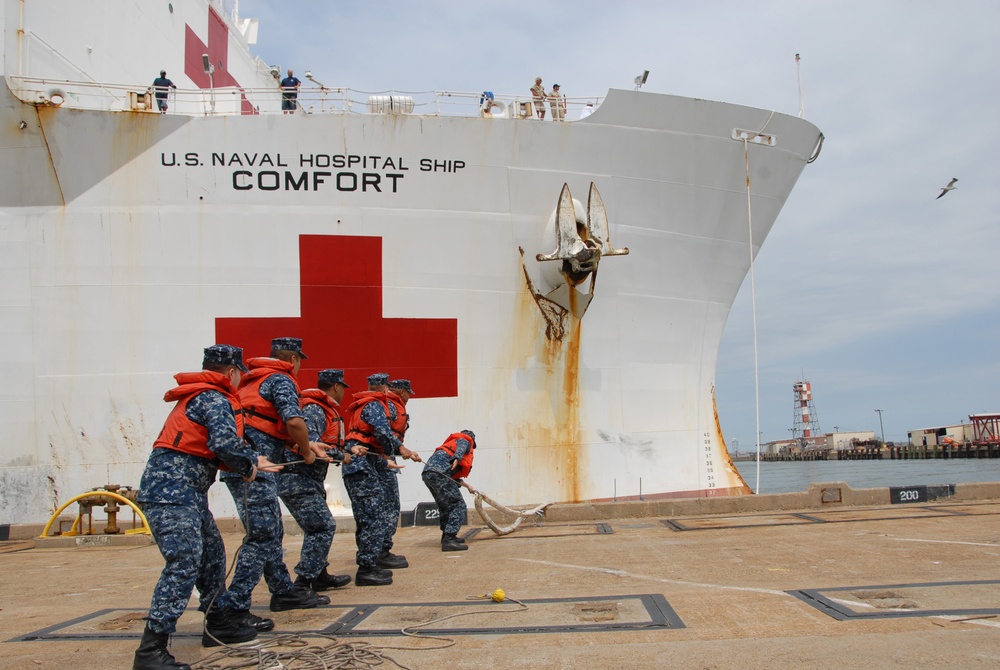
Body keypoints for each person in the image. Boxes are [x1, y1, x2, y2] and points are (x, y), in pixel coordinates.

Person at [134, 345, 281, 670]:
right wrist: (248, 467)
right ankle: (151, 650)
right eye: (239, 372)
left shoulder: (205, 397)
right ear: (231, 372)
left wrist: (253, 460)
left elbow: (220, 444)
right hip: (171, 491)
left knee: (212, 555)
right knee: (184, 563)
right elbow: (224, 445)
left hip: (186, 492)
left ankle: (219, 622)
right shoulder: (214, 398)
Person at [222, 337, 331, 624]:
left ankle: (283, 591)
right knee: (263, 537)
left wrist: (305, 445)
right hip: (256, 470)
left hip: (245, 466)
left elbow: (266, 428)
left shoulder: (251, 382)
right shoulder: (281, 380)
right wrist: (307, 451)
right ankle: (233, 609)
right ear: (293, 360)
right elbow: (294, 422)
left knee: (270, 534)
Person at [276, 369, 354, 594]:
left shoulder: (320, 408)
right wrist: (343, 457)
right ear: (337, 387)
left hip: (310, 479)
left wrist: (348, 449)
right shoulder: (316, 409)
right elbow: (309, 444)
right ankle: (304, 582)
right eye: (342, 389)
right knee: (322, 526)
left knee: (320, 525)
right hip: (298, 479)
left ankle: (319, 574)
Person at [341, 373, 405, 585]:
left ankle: (372, 561)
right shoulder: (376, 405)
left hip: (366, 463)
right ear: (386, 389)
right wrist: (389, 453)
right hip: (363, 467)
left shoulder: (364, 404)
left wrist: (384, 461)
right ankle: (367, 568)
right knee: (373, 516)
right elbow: (383, 433)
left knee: (369, 515)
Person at [382, 379, 421, 565]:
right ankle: (381, 553)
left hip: (384, 458)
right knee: (389, 507)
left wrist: (406, 451)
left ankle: (379, 551)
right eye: (408, 394)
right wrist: (401, 450)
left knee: (383, 508)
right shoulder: (389, 406)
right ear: (403, 392)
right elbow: (383, 434)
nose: (408, 399)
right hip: (381, 462)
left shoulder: (382, 405)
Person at [421, 430, 477, 551]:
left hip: (429, 474)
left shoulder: (451, 444)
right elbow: (462, 447)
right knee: (458, 505)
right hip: (439, 474)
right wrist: (457, 458)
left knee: (446, 506)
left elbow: (452, 477)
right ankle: (449, 539)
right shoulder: (465, 440)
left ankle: (447, 536)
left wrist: (468, 486)